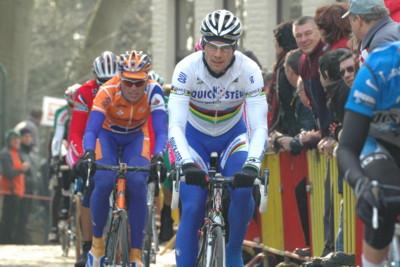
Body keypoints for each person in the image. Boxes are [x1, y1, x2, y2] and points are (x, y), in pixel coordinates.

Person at [168, 10, 268, 267]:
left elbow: (258, 128)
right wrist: (186, 162)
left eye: (225, 47)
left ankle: (233, 251)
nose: (218, 54)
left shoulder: (249, 70)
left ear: (235, 46)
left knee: (244, 190)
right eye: (212, 46)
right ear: (203, 43)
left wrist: (252, 165)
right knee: (191, 207)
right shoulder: (186, 68)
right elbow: (176, 125)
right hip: (194, 139)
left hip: (232, 137)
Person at [79, 50, 168, 267]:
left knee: (138, 184)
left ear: (147, 78)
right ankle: (97, 246)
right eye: (128, 83)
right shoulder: (107, 90)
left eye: (139, 83)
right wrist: (89, 153)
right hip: (107, 136)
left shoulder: (154, 92)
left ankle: (136, 253)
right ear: (120, 77)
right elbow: (91, 129)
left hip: (136, 137)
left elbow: (161, 129)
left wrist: (158, 156)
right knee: (103, 180)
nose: (134, 89)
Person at [337, 41, 400, 267]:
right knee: (383, 200)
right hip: (376, 142)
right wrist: (361, 184)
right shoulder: (379, 68)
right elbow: (347, 147)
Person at [67, 51, 118, 267]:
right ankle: (88, 245)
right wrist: (81, 157)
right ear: (94, 78)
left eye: (112, 81)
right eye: (102, 82)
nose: (107, 86)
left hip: (119, 141)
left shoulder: (129, 89)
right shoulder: (84, 92)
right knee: (89, 189)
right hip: (92, 141)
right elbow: (76, 131)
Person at [47, 83, 80, 243]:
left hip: (80, 144)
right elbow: (58, 138)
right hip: (65, 145)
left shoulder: (89, 108)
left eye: (77, 104)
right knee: (59, 185)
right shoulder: (62, 114)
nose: (73, 108)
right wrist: (55, 157)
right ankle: (54, 225)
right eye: (70, 105)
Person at [0, 130, 30, 244]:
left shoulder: (17, 154)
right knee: (7, 219)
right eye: (14, 139)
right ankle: (4, 241)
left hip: (17, 192)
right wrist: (22, 169)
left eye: (18, 139)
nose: (17, 141)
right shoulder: (5, 154)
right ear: (9, 141)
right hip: (8, 192)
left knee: (14, 219)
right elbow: (8, 173)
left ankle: (11, 241)